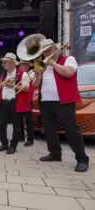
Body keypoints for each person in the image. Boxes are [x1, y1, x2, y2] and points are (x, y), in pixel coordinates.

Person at [32, 39, 89, 172]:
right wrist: (38, 77)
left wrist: (52, 64)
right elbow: (35, 85)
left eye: (49, 50)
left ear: (56, 50)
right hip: (45, 102)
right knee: (49, 129)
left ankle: (82, 159)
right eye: (45, 51)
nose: (47, 53)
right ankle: (55, 154)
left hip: (64, 101)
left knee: (71, 129)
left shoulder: (69, 59)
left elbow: (68, 73)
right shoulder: (42, 65)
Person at [0, 53, 30, 154]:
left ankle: (13, 145)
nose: (3, 64)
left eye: (5, 62)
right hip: (4, 103)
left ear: (12, 63)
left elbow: (27, 88)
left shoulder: (22, 73)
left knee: (16, 126)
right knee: (1, 125)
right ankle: (4, 143)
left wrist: (12, 86)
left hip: (15, 102)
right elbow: (2, 88)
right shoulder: (3, 75)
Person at [18, 60, 35, 147]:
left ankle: (30, 138)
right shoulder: (17, 74)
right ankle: (20, 136)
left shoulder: (31, 73)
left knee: (29, 120)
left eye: (26, 64)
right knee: (19, 119)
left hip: (29, 98)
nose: (24, 66)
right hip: (19, 98)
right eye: (23, 64)